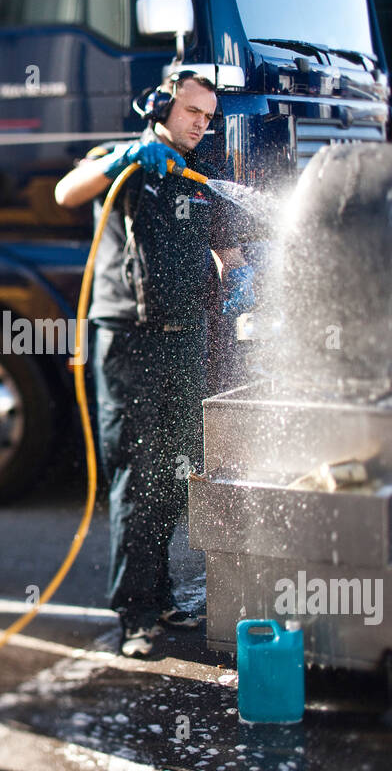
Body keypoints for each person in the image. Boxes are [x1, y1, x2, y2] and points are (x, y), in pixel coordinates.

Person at [54, 70, 253, 658]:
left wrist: (239, 275)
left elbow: (229, 245)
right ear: (162, 107)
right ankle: (134, 615)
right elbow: (66, 193)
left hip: (187, 338)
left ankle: (160, 592)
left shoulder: (198, 179)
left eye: (208, 116)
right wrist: (122, 160)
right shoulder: (126, 165)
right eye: (192, 111)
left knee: (175, 469)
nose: (200, 123)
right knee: (136, 475)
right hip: (130, 342)